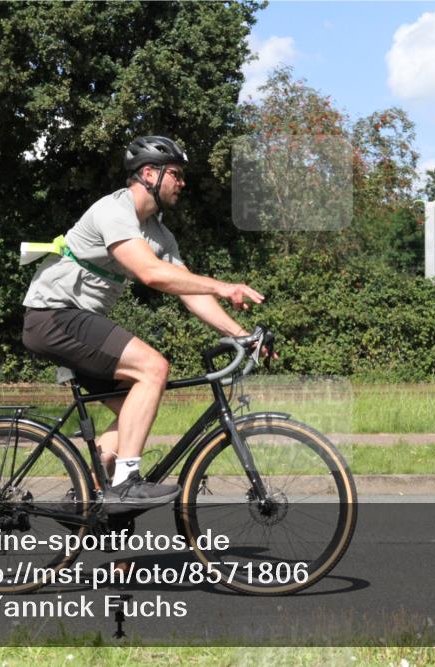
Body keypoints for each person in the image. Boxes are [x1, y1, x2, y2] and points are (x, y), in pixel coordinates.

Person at [21, 135, 265, 511]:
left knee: (133, 412)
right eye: (177, 175)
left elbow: (188, 291)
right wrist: (224, 285)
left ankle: (86, 499)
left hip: (76, 320)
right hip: (53, 316)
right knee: (154, 367)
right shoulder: (114, 211)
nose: (182, 183)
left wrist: (242, 335)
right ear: (149, 173)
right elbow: (150, 274)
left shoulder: (157, 233)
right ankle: (125, 483)